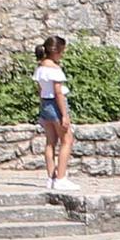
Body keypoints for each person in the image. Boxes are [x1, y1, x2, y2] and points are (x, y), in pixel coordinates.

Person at [32, 37, 71, 196]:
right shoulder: (55, 70)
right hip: (55, 105)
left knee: (50, 142)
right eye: (62, 51)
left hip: (45, 105)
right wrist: (64, 115)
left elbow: (40, 90)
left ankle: (51, 177)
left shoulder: (40, 68)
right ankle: (61, 178)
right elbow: (58, 93)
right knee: (67, 140)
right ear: (56, 52)